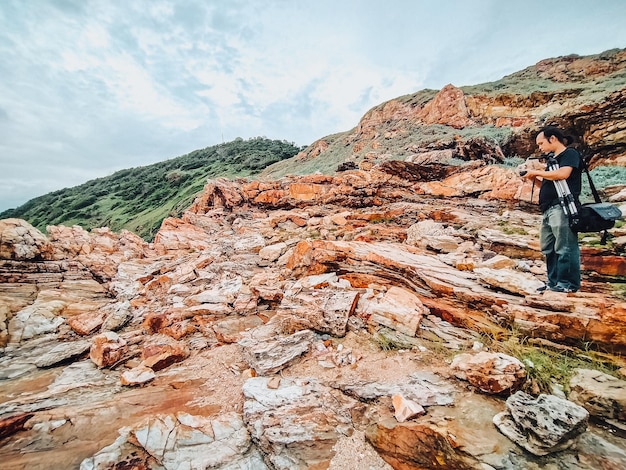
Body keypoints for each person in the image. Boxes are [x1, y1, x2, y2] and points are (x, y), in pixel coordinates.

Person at [522, 126, 582, 293]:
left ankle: (568, 284)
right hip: (548, 208)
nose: (540, 147)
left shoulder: (569, 154)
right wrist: (533, 177)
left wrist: (535, 170)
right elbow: (551, 183)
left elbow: (563, 175)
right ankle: (553, 282)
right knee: (549, 247)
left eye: (541, 143)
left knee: (565, 246)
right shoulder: (552, 161)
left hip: (562, 206)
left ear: (553, 139)